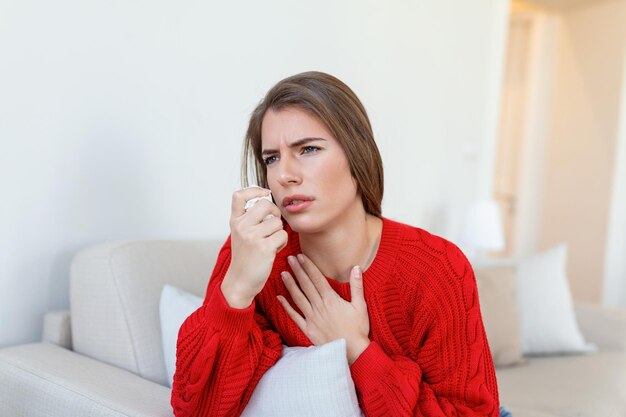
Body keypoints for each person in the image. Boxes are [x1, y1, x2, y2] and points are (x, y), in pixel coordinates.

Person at [170, 71, 503, 416]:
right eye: (271, 158)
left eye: (308, 149)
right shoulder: (254, 252)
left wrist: (357, 349)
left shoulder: (436, 267)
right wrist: (236, 289)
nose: (284, 174)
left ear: (357, 155)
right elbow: (197, 410)